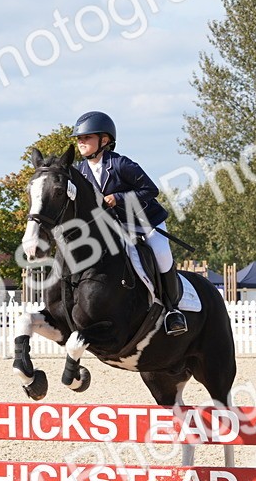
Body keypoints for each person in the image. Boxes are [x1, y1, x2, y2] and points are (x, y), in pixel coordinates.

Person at [70, 110, 187, 336]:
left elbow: (150, 190)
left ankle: (173, 311)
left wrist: (118, 198)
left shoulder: (121, 164)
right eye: (79, 138)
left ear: (104, 140)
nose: (81, 142)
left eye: (86, 137)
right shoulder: (80, 170)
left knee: (162, 257)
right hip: (115, 228)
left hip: (146, 223)